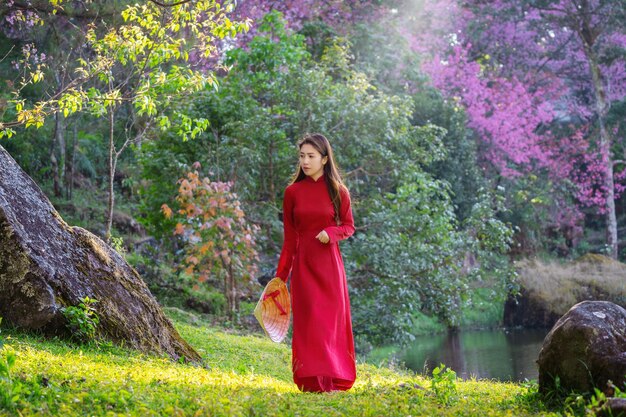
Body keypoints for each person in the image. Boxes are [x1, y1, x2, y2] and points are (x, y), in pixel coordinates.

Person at [276, 133, 356, 393]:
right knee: (309, 325)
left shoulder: (338, 191)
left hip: (330, 267)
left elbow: (348, 227)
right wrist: (280, 278)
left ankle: (332, 379)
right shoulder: (292, 193)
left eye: (311, 156)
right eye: (302, 156)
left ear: (324, 159)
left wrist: (331, 233)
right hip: (303, 267)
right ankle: (310, 380)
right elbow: (289, 240)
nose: (305, 161)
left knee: (328, 324)